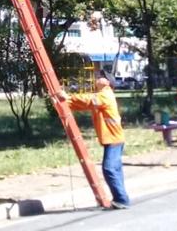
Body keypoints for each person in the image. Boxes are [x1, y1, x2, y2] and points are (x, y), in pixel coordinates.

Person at [54, 75, 130, 209]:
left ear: (107, 83)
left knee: (109, 168)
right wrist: (66, 102)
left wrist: (68, 98)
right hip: (114, 138)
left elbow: (89, 100)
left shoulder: (105, 95)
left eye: (102, 77)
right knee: (115, 169)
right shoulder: (102, 95)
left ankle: (122, 199)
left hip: (113, 139)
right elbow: (85, 103)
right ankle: (122, 198)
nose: (98, 78)